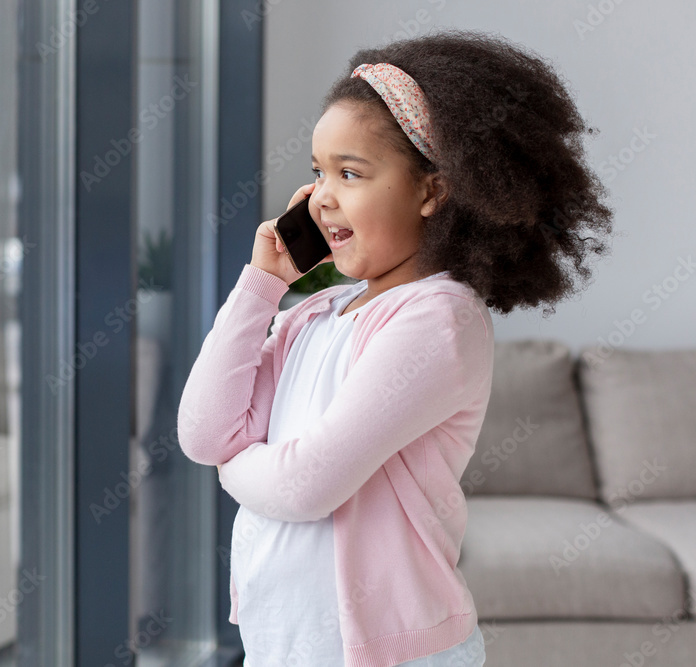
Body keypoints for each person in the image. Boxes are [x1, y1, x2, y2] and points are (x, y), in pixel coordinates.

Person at [176, 28, 614, 667]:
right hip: (283, 644)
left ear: (432, 191)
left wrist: (229, 466)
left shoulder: (438, 320)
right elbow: (202, 432)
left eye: (350, 173)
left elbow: (305, 484)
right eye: (318, 172)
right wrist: (262, 285)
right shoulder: (313, 314)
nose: (322, 196)